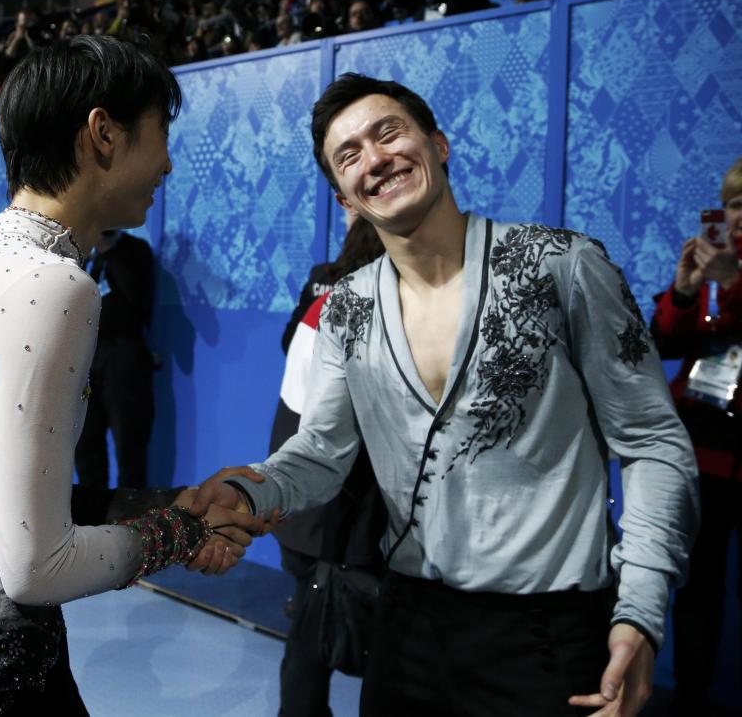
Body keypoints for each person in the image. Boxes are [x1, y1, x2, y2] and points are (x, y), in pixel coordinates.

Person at [193, 73, 699, 716]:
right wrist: (247, 491)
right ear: (345, 199)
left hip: (549, 634)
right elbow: (321, 453)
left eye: (388, 133)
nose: (374, 159)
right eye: (348, 156)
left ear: (438, 144)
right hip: (407, 631)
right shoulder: (346, 309)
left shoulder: (562, 267)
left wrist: (642, 610)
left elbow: (653, 442)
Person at [0, 36, 263, 716]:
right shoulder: (55, 286)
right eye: (161, 135)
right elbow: (35, 565)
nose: (167, 163)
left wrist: (171, 501)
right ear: (103, 133)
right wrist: (186, 535)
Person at [274, 216, 387, 717]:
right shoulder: (367, 312)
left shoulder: (322, 304)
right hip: (339, 517)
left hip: (305, 513)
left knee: (306, 639)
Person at [650, 158, 742, 714]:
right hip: (704, 453)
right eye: (734, 204)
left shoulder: (730, 276)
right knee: (698, 589)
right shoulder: (714, 270)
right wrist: (686, 292)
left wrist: (732, 283)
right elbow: (662, 343)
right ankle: (688, 698)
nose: (739, 216)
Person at [74, 229, 156, 490]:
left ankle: (130, 517)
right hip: (86, 356)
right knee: (86, 441)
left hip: (124, 356)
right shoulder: (83, 253)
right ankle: (91, 512)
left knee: (129, 441)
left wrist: (110, 249)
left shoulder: (134, 250)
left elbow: (137, 297)